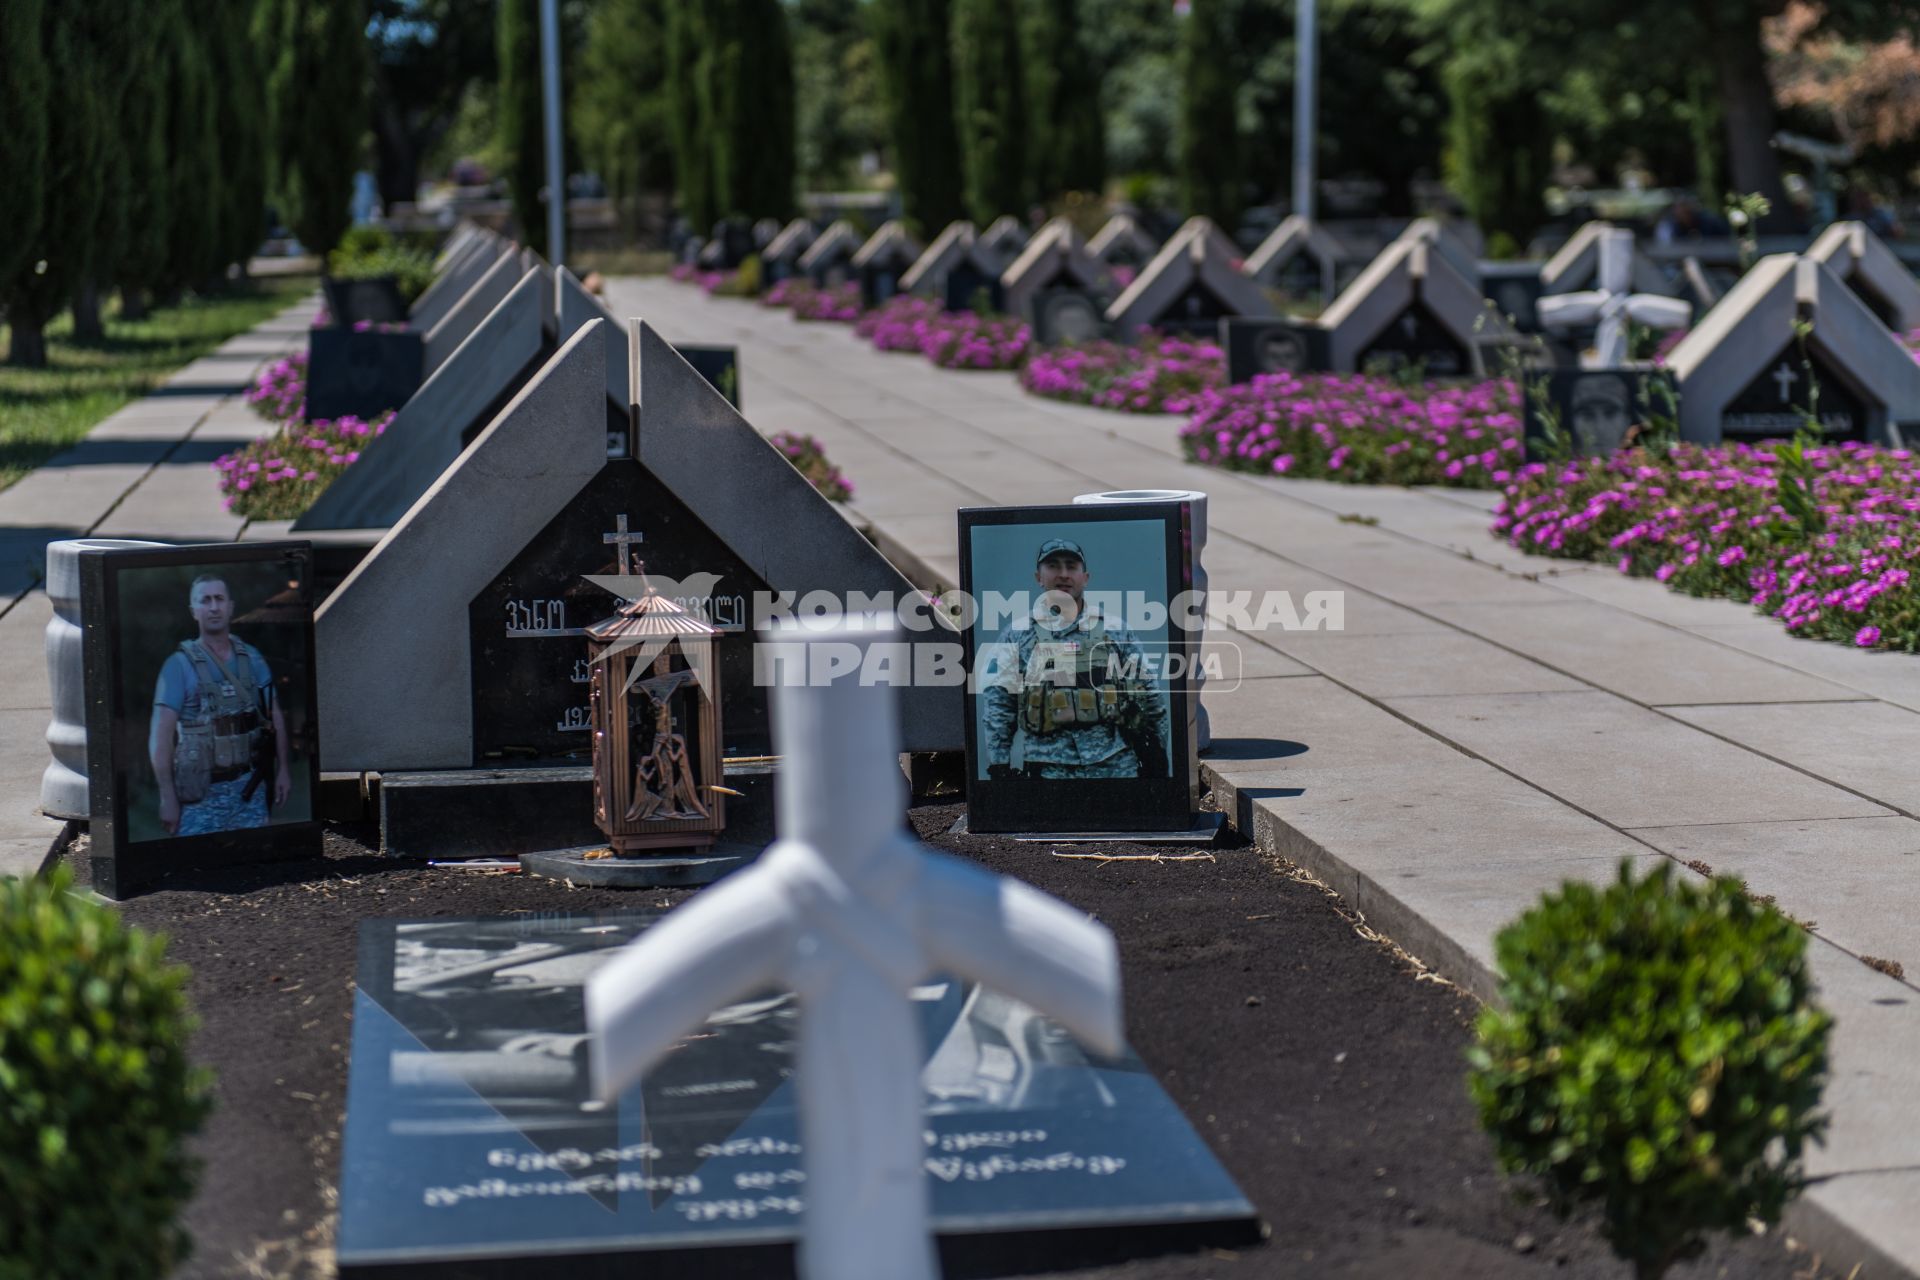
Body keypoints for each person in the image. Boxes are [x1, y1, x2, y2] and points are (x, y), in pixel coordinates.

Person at [980, 538, 1170, 780]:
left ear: (1085, 577)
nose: (1063, 574)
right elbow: (999, 706)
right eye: (1053, 566)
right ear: (1038, 577)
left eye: (1071, 566)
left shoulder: (1115, 631)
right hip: (1047, 770)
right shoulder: (1016, 635)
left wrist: (1156, 756)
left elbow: (1149, 696)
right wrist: (999, 765)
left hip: (1115, 766)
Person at [149, 575, 292, 837]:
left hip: (250, 790)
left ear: (231, 607)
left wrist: (283, 769)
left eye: (219, 599)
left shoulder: (252, 658)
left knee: (256, 867)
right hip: (199, 796)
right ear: (194, 611)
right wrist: (167, 797)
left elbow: (275, 716)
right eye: (205, 600)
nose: (213, 607)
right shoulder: (178, 667)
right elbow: (160, 736)